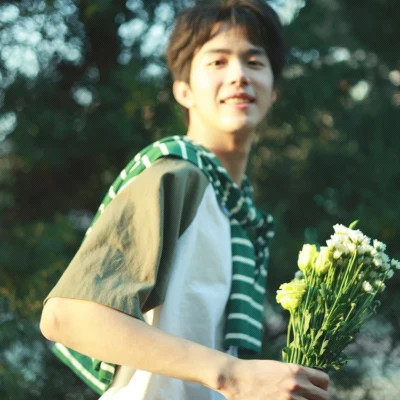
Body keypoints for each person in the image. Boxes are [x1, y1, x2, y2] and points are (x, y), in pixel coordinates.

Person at [40, 1, 330, 399]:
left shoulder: (241, 217)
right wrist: (233, 375)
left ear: (274, 90)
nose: (239, 75)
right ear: (184, 90)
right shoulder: (176, 176)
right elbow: (67, 315)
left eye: (254, 62)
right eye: (217, 61)